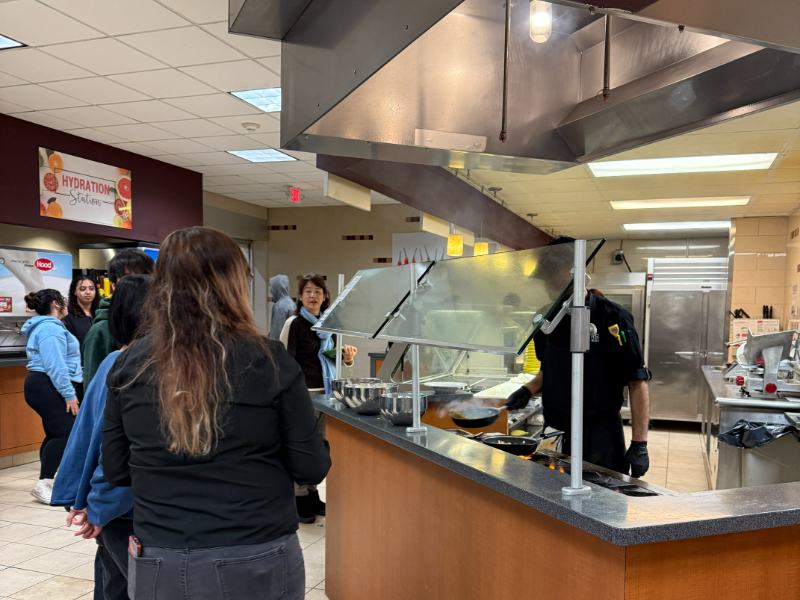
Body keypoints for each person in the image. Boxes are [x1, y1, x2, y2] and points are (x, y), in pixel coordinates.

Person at [103, 227, 330, 600]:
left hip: (160, 556)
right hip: (256, 553)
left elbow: (115, 468)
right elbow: (310, 467)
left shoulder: (130, 364)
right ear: (233, 285)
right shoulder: (270, 361)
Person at [506, 238, 651, 477]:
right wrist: (528, 390)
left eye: (551, 277)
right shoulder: (545, 318)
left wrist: (640, 443)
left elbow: (637, 381)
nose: (547, 286)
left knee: (601, 507)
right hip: (555, 432)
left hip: (600, 436)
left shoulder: (613, 318)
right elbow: (549, 369)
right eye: (544, 279)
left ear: (574, 273)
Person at [52, 275, 151, 600]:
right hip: (125, 510)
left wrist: (84, 501)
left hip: (113, 510)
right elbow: (112, 447)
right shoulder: (134, 368)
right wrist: (98, 507)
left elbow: (86, 438)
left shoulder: (115, 362)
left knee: (112, 586)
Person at [280, 273, 356, 523]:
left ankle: (312, 493)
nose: (313, 296)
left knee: (318, 446)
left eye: (318, 292)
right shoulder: (295, 324)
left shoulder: (328, 325)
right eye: (308, 291)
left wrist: (346, 357)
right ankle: (298, 495)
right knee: (301, 444)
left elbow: (332, 358)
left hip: (327, 393)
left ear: (325, 297)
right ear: (300, 297)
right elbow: (286, 360)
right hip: (303, 394)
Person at [20, 289, 82, 504]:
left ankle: (49, 479)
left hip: (44, 384)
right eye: (64, 301)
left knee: (55, 432)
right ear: (56, 303)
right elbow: (55, 365)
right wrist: (69, 395)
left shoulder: (50, 326)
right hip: (46, 384)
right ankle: (44, 483)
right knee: (65, 433)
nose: (67, 305)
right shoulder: (49, 329)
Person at [83, 249, 154, 387]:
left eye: (145, 275)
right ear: (114, 285)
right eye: (129, 278)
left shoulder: (160, 321)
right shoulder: (101, 330)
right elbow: (94, 390)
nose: (139, 283)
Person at [63, 276, 99, 350]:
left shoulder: (100, 312)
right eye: (83, 289)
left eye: (91, 289)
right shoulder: (67, 315)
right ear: (75, 291)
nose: (88, 292)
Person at [268, 274, 295, 340]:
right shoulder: (291, 303)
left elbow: (275, 334)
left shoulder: (280, 307)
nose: (271, 291)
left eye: (272, 287)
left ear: (277, 288)